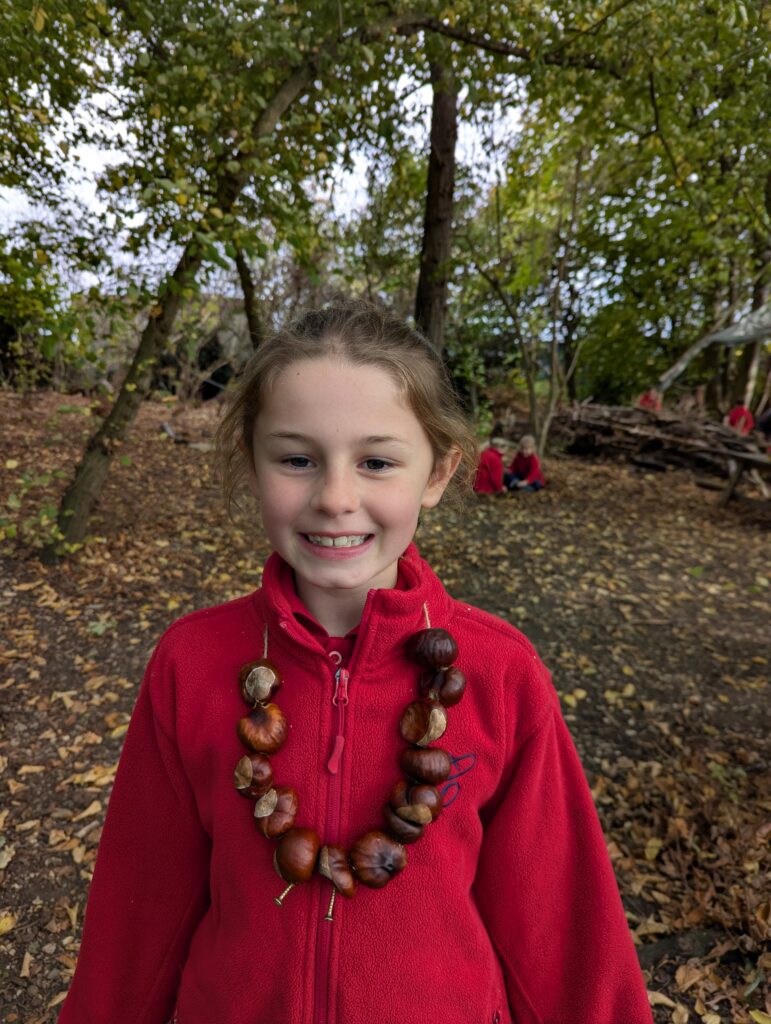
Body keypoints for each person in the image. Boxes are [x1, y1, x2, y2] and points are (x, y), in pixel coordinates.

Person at [58, 301, 653, 1024]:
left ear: (437, 474)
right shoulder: (192, 662)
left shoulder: (502, 673)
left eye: (376, 462)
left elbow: (561, 923)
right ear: (252, 462)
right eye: (296, 459)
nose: (335, 498)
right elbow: (139, 908)